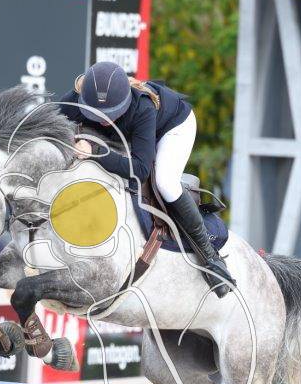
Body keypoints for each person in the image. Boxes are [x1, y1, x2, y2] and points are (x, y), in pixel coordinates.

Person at [58, 61, 236, 295]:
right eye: (97, 114)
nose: (104, 120)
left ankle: (211, 258)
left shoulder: (143, 107)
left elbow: (140, 169)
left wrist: (95, 152)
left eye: (110, 114)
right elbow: (46, 121)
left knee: (165, 182)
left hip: (173, 128)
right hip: (135, 135)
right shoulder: (77, 99)